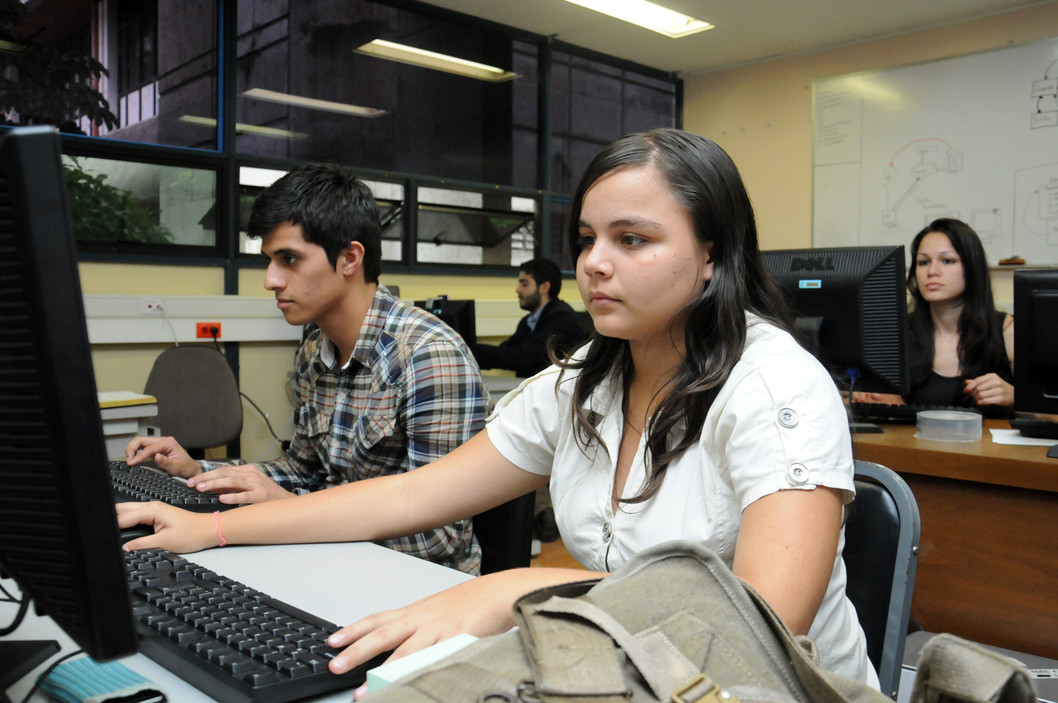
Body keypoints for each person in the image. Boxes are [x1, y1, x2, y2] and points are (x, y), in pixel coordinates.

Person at [117, 129, 876, 688]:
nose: (593, 263)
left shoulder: (775, 386)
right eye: (587, 238)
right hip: (626, 662)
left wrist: (519, 584)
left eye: (633, 238)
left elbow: (759, 628)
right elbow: (412, 493)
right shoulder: (583, 379)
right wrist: (210, 528)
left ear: (713, 255)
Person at [124, 163, 490, 574]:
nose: (270, 280)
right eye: (269, 260)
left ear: (350, 257)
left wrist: (291, 511)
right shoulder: (315, 350)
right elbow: (301, 470)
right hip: (332, 557)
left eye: (289, 259)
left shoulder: (428, 357)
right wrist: (199, 470)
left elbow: (438, 535)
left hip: (419, 584)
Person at [858, 218, 1014, 416]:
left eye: (947, 261)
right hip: (915, 446)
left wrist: (1015, 397)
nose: (932, 272)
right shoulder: (896, 332)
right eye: (923, 262)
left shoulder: (1007, 330)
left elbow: (1051, 414)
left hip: (991, 447)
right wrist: (874, 400)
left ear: (972, 267)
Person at [471, 257, 586, 378]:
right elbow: (506, 351)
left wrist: (471, 351)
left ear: (544, 287)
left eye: (524, 284)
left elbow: (525, 357)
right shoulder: (528, 322)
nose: (518, 290)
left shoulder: (561, 318)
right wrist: (470, 352)